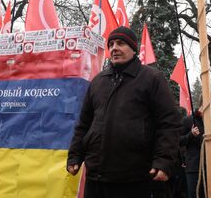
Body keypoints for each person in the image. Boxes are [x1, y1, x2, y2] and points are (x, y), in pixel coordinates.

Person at [67, 26, 181, 198]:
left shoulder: (151, 79)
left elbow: (169, 123)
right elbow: (84, 124)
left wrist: (164, 161)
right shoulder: (98, 82)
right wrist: (75, 155)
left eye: (120, 43)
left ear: (133, 48)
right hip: (95, 178)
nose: (114, 48)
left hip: (134, 178)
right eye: (111, 44)